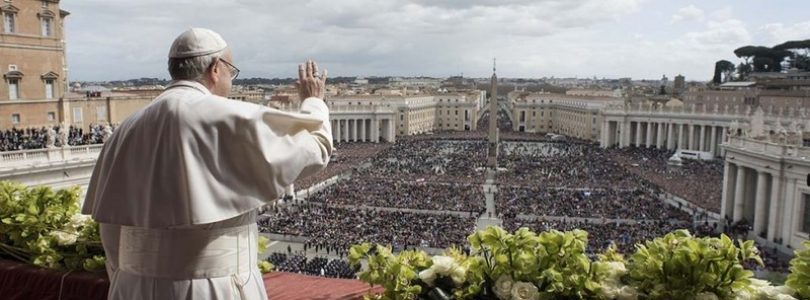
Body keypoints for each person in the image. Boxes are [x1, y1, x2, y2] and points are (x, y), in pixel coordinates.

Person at [81, 28, 333, 300]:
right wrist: (314, 102)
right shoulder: (228, 115)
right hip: (212, 287)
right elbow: (315, 148)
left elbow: (111, 227)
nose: (231, 82)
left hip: (131, 288)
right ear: (216, 68)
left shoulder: (125, 129)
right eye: (231, 72)